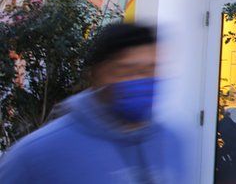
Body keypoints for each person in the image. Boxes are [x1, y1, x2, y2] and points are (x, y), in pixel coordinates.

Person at [0, 22, 185, 183]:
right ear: (99, 75)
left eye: (149, 69)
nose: (140, 80)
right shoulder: (36, 155)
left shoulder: (171, 142)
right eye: (128, 70)